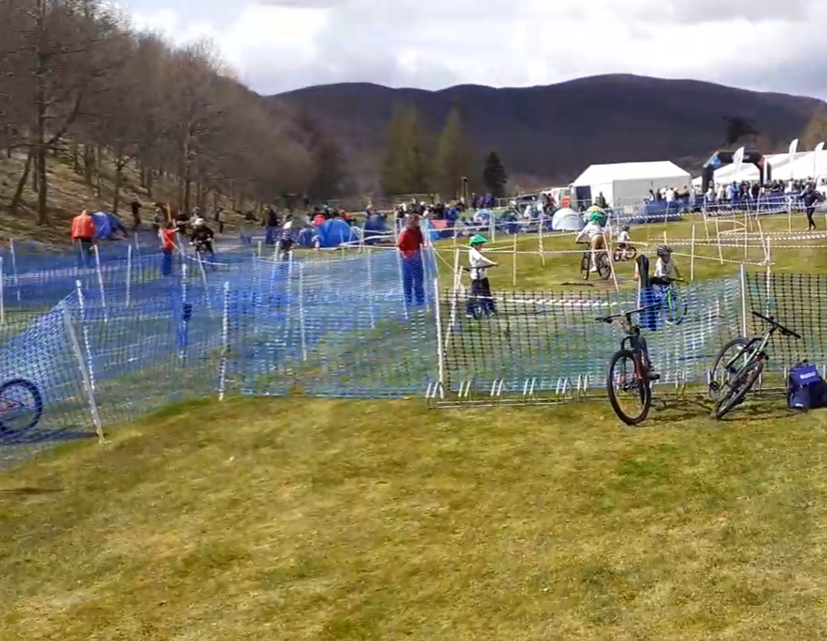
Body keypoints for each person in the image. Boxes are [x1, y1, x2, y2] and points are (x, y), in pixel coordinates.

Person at [396, 213, 426, 309]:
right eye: (417, 221)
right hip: (408, 258)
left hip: (417, 256)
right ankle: (408, 300)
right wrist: (406, 253)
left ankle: (420, 300)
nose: (418, 222)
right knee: (408, 280)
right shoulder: (405, 232)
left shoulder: (417, 231)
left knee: (418, 279)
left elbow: (421, 241)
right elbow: (399, 245)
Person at [467, 234, 497, 318]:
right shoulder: (472, 251)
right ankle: (469, 311)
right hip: (476, 276)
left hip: (483, 275)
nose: (481, 245)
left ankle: (491, 309)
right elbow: (481, 258)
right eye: (479, 244)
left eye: (481, 244)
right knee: (475, 294)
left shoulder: (478, 251)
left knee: (487, 293)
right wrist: (492, 263)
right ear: (474, 245)